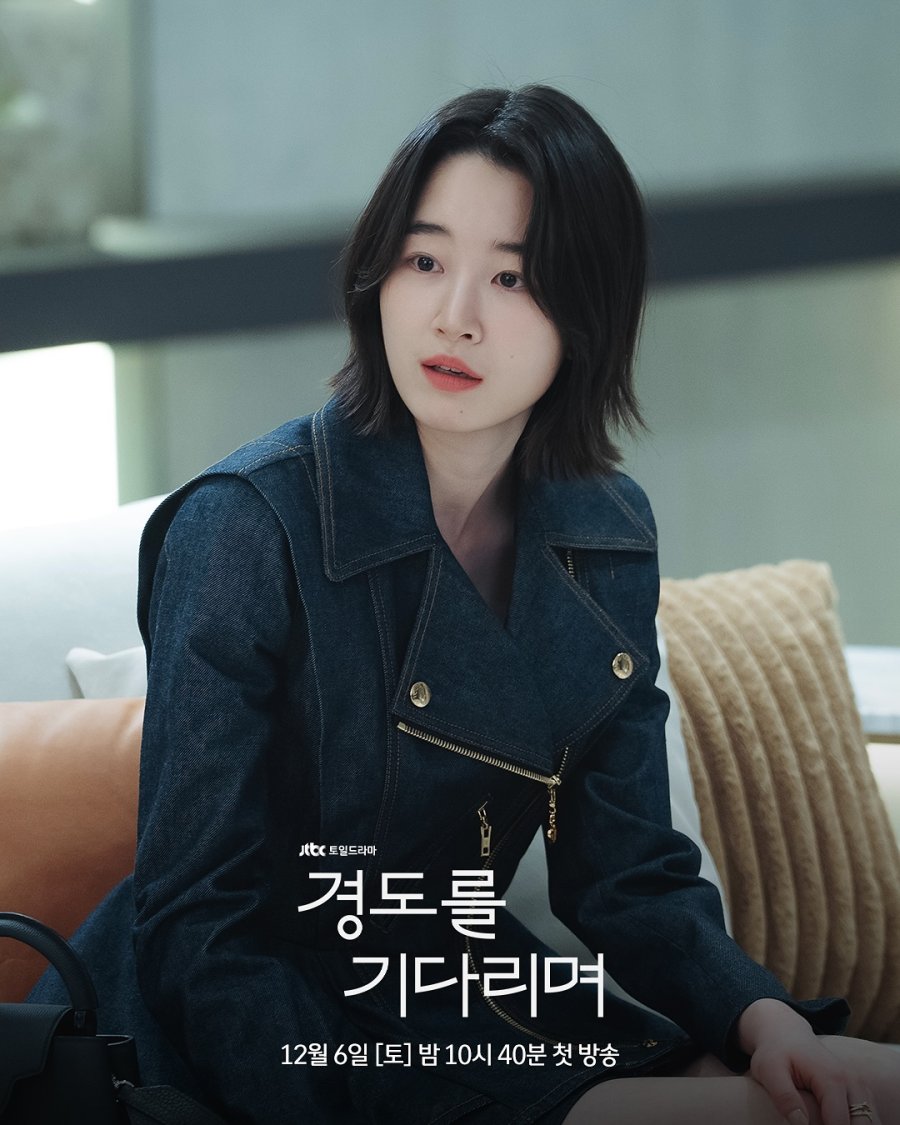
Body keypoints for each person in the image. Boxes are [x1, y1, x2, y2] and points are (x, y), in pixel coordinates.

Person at [32, 85, 900, 1124]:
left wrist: (767, 1022)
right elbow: (197, 928)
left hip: (464, 987)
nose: (455, 316)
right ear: (378, 274)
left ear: (587, 311)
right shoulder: (244, 527)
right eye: (425, 260)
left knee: (837, 1089)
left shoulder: (603, 530)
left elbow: (625, 874)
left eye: (512, 277)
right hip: (246, 1024)